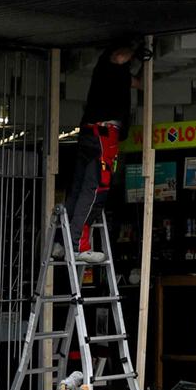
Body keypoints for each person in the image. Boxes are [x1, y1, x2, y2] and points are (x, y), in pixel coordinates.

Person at [63, 39, 144, 254]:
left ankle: (61, 243)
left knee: (78, 188)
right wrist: (135, 47)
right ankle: (78, 243)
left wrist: (143, 61)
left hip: (89, 133)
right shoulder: (108, 64)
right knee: (95, 188)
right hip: (103, 135)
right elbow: (120, 56)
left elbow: (138, 82)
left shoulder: (115, 76)